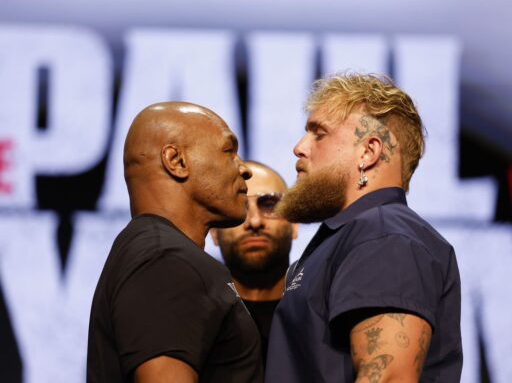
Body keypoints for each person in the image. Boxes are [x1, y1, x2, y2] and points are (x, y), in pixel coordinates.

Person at [265, 73, 462, 382]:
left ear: (368, 152)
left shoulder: (385, 238)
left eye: (319, 134)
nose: (299, 148)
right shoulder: (355, 236)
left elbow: (389, 378)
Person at [87, 102, 263, 383]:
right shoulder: (166, 262)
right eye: (229, 151)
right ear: (177, 161)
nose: (244, 169)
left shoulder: (154, 253)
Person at [211, 161, 298, 366]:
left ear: (294, 223)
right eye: (238, 207)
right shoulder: (195, 322)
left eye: (269, 204)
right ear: (214, 232)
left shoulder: (323, 316)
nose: (254, 222)